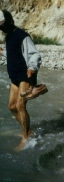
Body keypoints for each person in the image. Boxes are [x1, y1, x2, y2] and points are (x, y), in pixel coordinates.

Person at [0, 9, 47, 150]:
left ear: (10, 22)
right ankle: (27, 130)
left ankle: (25, 137)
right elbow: (13, 54)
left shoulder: (22, 36)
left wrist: (32, 67)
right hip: (14, 76)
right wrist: (2, 52)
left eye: (2, 25)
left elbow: (34, 54)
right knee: (11, 106)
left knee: (20, 106)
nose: (1, 28)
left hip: (25, 75)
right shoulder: (8, 37)